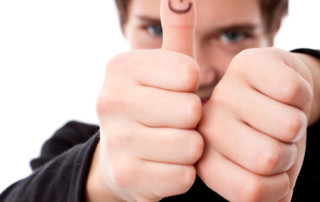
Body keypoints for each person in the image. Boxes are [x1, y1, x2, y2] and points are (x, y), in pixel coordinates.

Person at [1, 0, 319, 201]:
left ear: (274, 28)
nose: (197, 72)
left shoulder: (300, 140)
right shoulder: (74, 145)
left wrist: (311, 77)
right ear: (123, 24)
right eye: (154, 28)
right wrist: (101, 179)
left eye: (232, 36)